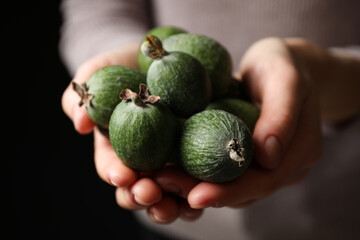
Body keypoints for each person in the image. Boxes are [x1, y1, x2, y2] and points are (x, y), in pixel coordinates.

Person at [59, 0, 360, 239]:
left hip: (336, 217)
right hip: (171, 230)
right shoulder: (156, 80)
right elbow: (94, 12)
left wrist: (323, 76)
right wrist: (107, 53)